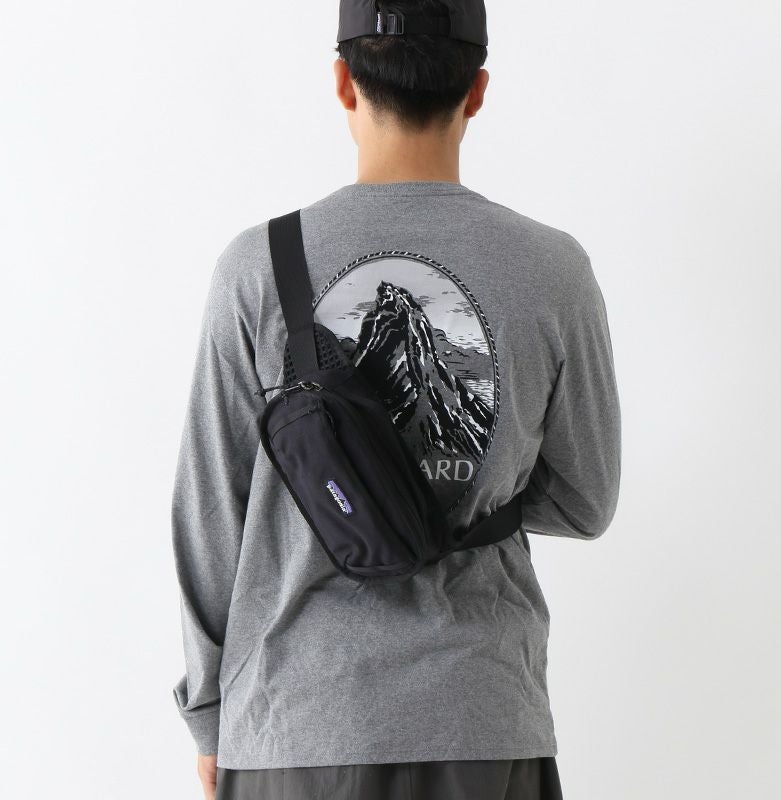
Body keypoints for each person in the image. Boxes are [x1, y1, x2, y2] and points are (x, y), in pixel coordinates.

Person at [169, 1, 622, 798]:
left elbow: (211, 512)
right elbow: (585, 501)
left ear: (343, 83)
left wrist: (209, 714)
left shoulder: (257, 268)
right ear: (477, 91)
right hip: (484, 722)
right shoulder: (554, 271)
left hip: (294, 726)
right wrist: (477, 481)